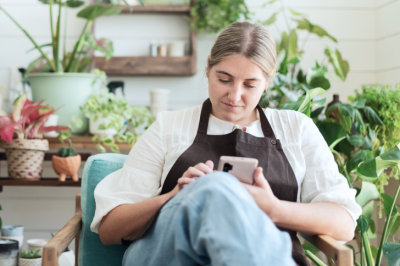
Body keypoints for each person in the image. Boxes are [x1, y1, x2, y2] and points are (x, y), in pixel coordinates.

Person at [91, 22, 361, 266]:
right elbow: (110, 229)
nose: (235, 95)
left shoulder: (296, 129)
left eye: (250, 85)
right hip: (167, 255)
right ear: (208, 67)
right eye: (224, 79)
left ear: (267, 82)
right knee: (215, 186)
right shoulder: (168, 127)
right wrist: (175, 196)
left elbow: (344, 223)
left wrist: (274, 209)